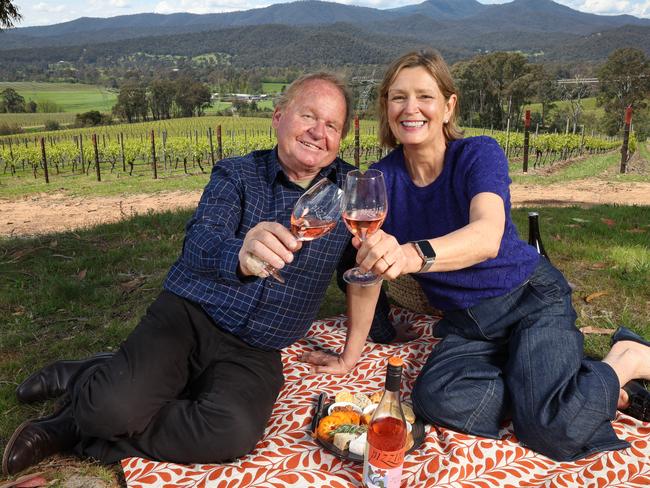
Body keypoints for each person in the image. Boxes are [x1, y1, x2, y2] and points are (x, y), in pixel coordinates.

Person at [2, 72, 367, 476]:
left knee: (231, 434)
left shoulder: (350, 194)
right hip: (189, 315)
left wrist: (356, 346)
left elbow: (360, 274)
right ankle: (86, 407)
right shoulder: (237, 174)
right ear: (278, 117)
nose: (318, 132)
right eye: (308, 116)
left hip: (256, 347)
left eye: (331, 125)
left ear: (342, 136)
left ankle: (85, 416)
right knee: (110, 408)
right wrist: (240, 255)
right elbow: (200, 242)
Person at [331, 49, 650, 461]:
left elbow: (486, 237)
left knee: (552, 431)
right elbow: (367, 268)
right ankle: (547, 384)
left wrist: (413, 255)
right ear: (385, 108)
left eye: (425, 96)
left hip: (529, 300)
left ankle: (625, 359)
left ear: (448, 107)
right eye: (398, 97)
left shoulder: (478, 154)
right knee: (437, 400)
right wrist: (349, 356)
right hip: (468, 324)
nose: (411, 108)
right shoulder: (382, 180)